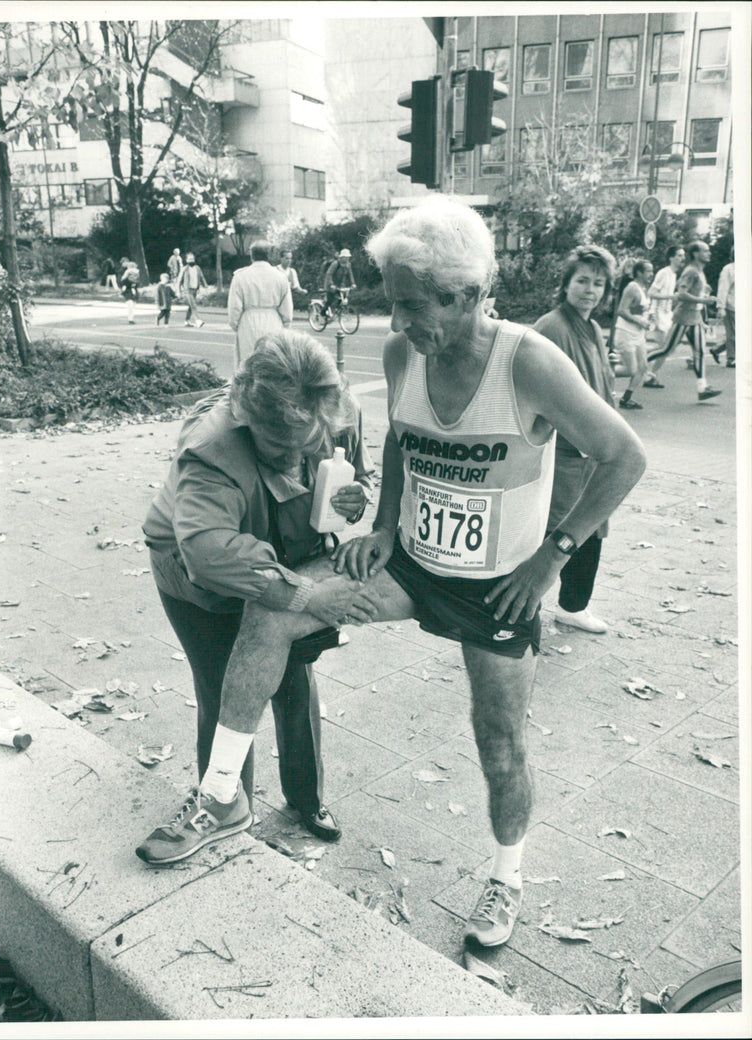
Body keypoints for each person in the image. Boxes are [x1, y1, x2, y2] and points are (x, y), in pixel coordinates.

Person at [142, 197, 646, 953]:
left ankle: (507, 878)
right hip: (409, 566)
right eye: (393, 303)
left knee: (500, 741)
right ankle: (220, 797)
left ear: (467, 294)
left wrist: (553, 555)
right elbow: (405, 444)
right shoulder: (404, 354)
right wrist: (382, 526)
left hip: (496, 587)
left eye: (413, 306)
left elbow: (625, 456)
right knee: (273, 611)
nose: (401, 322)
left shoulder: (530, 363)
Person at [137, 330, 374, 864]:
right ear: (245, 413)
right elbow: (206, 550)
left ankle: (306, 800)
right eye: (278, 447)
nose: (295, 459)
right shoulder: (211, 446)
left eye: (307, 443)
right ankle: (223, 804)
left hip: (285, 551)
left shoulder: (339, 408)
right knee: (226, 689)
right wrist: (306, 594)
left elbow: (356, 477)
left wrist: (353, 500)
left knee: (294, 682)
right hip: (199, 582)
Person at [534, 245, 617, 635]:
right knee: (556, 530)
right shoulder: (551, 326)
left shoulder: (594, 328)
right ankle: (524, 602)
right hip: (564, 451)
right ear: (566, 283)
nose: (590, 290)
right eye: (582, 280)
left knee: (592, 526)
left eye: (599, 283)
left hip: (592, 452)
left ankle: (573, 606)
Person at [646, 240, 721, 401]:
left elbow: (694, 292)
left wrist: (706, 296)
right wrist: (703, 301)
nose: (709, 253)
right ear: (695, 254)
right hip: (683, 316)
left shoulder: (699, 271)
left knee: (700, 351)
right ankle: (639, 363)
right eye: (705, 251)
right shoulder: (691, 271)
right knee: (666, 350)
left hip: (695, 318)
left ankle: (702, 387)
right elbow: (681, 294)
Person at [227, 241, 293, 370]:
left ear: (251, 256)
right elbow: (287, 308)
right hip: (274, 321)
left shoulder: (241, 276)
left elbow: (234, 307)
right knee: (272, 363)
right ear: (269, 255)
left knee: (248, 363)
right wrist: (285, 325)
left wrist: (236, 325)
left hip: (248, 322)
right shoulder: (280, 277)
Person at [614, 259, 655, 411]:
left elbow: (639, 310)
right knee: (630, 369)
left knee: (643, 368)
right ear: (639, 273)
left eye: (652, 271)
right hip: (625, 333)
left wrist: (648, 319)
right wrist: (639, 322)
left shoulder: (644, 288)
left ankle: (626, 399)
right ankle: (600, 373)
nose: (651, 274)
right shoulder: (632, 287)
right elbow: (622, 310)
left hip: (638, 335)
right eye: (648, 271)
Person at [644, 246, 686, 388]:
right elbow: (651, 292)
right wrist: (671, 296)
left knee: (667, 348)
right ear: (671, 258)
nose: (682, 258)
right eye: (679, 255)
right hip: (658, 313)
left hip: (667, 314)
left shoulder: (674, 275)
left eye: (683, 255)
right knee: (665, 347)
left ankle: (649, 372)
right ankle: (647, 371)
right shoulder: (664, 273)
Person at [714, 249, 735, 369]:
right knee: (733, 334)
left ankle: (717, 350)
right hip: (731, 306)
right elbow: (723, 288)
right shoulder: (729, 269)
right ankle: (731, 359)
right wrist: (720, 307)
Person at [322, 248, 356, 317]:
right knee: (330, 299)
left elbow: (350, 274)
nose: (347, 259)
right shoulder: (335, 264)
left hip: (339, 284)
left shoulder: (348, 265)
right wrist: (331, 284)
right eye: (346, 257)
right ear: (342, 257)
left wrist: (353, 283)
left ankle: (335, 311)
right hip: (330, 284)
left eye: (348, 257)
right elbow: (329, 274)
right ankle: (323, 312)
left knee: (342, 298)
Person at [180, 252, 207, 328]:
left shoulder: (197, 268)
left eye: (192, 258)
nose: (191, 260)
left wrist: (205, 285)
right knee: (193, 305)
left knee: (190, 306)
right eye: (189, 259)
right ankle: (198, 321)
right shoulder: (184, 269)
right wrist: (178, 291)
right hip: (187, 290)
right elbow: (179, 280)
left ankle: (187, 321)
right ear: (186, 260)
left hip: (195, 290)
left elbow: (201, 277)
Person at [120, 259, 140, 324]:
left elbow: (137, 284)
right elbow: (123, 283)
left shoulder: (136, 278)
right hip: (129, 291)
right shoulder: (125, 279)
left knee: (132, 305)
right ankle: (130, 318)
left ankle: (131, 317)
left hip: (133, 291)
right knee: (130, 305)